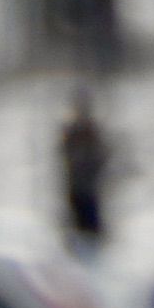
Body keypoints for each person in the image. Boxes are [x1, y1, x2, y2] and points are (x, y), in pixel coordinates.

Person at [55, 87, 117, 258]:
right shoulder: (71, 131)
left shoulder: (92, 131)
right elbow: (64, 154)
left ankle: (93, 255)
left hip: (89, 187)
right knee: (77, 225)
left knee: (90, 226)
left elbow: (102, 156)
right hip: (76, 186)